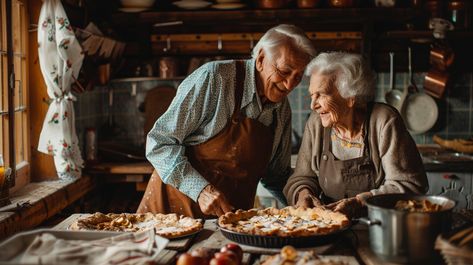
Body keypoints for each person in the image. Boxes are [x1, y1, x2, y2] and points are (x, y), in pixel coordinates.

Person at [137, 24, 316, 218]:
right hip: (171, 215)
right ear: (261, 59)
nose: (290, 85)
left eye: (298, 77)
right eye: (283, 71)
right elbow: (159, 143)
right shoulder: (215, 79)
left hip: (229, 220)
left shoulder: (281, 110)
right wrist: (201, 190)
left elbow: (276, 176)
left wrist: (301, 197)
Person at [283, 52, 428, 218]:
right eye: (311, 95)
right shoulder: (316, 124)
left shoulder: (383, 121)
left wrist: (360, 203)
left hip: (380, 226)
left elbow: (409, 184)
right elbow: (302, 177)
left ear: (350, 97)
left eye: (322, 94)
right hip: (328, 225)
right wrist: (304, 195)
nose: (313, 105)